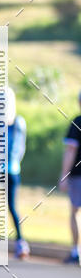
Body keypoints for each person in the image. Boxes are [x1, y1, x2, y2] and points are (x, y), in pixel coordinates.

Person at [7, 87, 30, 259]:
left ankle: (21, 242)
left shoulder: (18, 122)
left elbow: (18, 148)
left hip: (10, 170)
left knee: (12, 207)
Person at [59, 90, 81, 265]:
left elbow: (70, 151)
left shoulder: (77, 122)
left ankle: (76, 252)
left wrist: (64, 175)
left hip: (77, 176)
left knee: (75, 212)